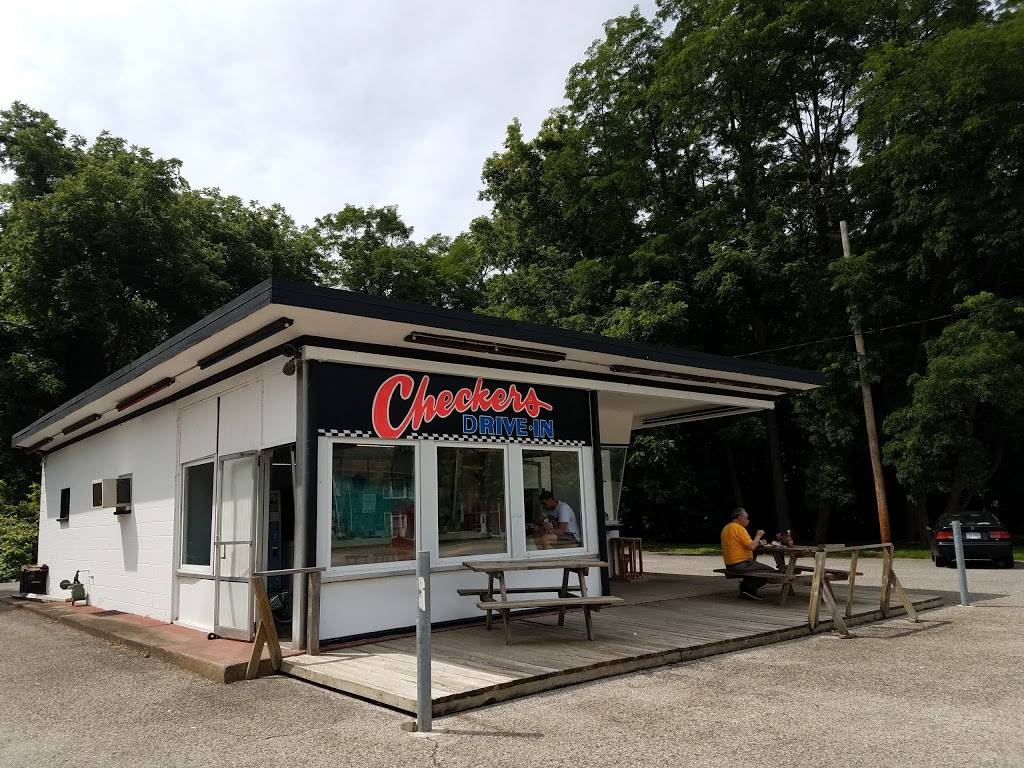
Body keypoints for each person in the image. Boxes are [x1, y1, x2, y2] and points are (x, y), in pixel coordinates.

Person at [720, 507, 776, 600]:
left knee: (757, 568)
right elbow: (751, 547)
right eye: (746, 518)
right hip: (741, 564)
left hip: (730, 564)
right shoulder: (739, 528)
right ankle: (747, 588)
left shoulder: (726, 528)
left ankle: (746, 587)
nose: (748, 520)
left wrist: (758, 542)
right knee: (770, 571)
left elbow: (745, 544)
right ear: (739, 517)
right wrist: (758, 535)